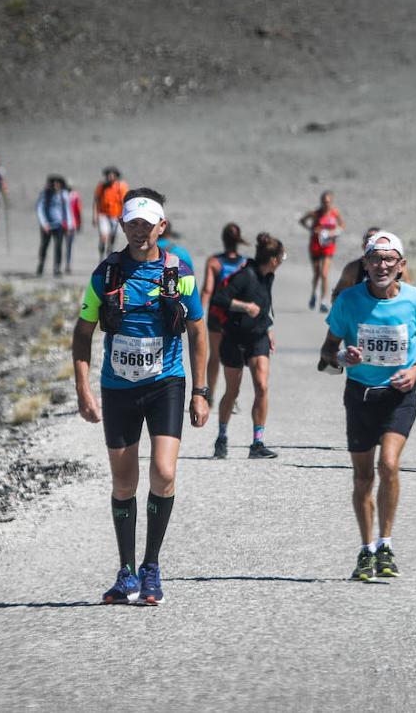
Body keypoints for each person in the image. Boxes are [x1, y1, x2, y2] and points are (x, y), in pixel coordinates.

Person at [72, 188, 209, 605]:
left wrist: (201, 392)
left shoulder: (178, 273)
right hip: (118, 389)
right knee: (124, 479)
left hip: (166, 382)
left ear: (161, 226)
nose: (139, 231)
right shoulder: (106, 274)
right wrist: (83, 390)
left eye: (147, 224)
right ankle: (126, 572)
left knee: (164, 474)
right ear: (122, 225)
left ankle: (151, 567)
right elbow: (82, 334)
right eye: (132, 223)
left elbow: (199, 331)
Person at [319, 231, 416, 581]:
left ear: (401, 266)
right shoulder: (348, 300)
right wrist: (342, 356)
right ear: (365, 263)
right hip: (359, 395)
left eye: (389, 260)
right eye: (375, 259)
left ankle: (386, 542)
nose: (382, 265)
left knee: (388, 464)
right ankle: (366, 550)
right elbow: (327, 352)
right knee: (363, 477)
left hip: (398, 396)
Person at [211, 233, 284, 459]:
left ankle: (257, 443)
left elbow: (265, 304)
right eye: (282, 257)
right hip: (234, 338)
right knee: (232, 391)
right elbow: (219, 299)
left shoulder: (268, 277)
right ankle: (221, 437)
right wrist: (244, 306)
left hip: (258, 337)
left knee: (262, 386)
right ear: (273, 259)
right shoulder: (244, 276)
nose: (282, 262)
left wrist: (269, 328)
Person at [200, 223, 249, 419]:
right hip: (236, 316)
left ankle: (210, 395)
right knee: (235, 358)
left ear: (223, 239)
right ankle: (232, 395)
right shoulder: (245, 263)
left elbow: (207, 290)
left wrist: (198, 313)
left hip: (216, 314)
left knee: (215, 356)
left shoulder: (214, 262)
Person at [332, 227, 411, 302]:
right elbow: (338, 295)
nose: (383, 266)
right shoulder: (353, 268)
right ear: (364, 246)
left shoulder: (397, 267)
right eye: (370, 240)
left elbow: (407, 293)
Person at [299, 190, 345, 312]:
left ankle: (324, 301)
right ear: (321, 202)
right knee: (317, 273)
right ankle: (314, 293)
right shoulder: (315, 213)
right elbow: (302, 220)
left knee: (324, 274)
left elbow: (342, 225)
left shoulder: (335, 213)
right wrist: (311, 229)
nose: (326, 204)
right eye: (324, 202)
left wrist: (335, 232)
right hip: (316, 244)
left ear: (331, 202)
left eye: (328, 202)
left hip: (329, 245)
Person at [35, 175, 70, 278]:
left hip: (59, 225)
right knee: (44, 246)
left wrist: (67, 224)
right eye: (53, 183)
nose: (55, 185)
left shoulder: (63, 195)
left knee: (58, 246)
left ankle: (57, 268)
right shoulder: (45, 194)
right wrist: (44, 223)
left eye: (57, 183)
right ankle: (41, 264)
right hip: (47, 225)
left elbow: (67, 210)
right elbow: (39, 208)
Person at [94, 167, 128, 258]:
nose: (110, 177)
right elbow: (96, 200)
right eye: (108, 175)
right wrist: (95, 215)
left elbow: (124, 202)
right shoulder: (101, 186)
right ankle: (101, 254)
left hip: (116, 215)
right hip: (103, 214)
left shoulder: (121, 187)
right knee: (103, 236)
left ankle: (109, 253)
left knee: (113, 237)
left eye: (112, 175)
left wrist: (123, 216)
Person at [62, 178, 82, 275]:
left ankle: (68, 264)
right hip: (63, 224)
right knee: (63, 245)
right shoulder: (62, 195)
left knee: (69, 246)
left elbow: (78, 210)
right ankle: (62, 264)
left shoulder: (75, 196)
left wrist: (78, 223)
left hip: (72, 225)